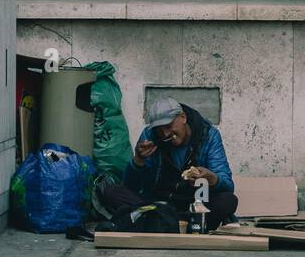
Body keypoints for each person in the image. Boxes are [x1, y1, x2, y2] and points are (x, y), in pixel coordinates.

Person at [98, 96, 239, 231]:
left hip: (193, 206)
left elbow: (227, 184)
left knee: (228, 201)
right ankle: (174, 223)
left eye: (169, 126)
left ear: (183, 117)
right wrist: (138, 161)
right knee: (111, 192)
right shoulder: (150, 136)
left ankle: (162, 222)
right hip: (157, 203)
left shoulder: (208, 135)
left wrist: (212, 179)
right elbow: (131, 186)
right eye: (160, 130)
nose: (165, 134)